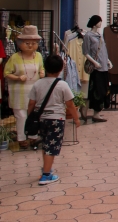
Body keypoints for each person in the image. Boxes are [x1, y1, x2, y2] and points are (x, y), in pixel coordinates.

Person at [27, 55, 80, 185]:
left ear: (45, 68)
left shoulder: (37, 84)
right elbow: (70, 104)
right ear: (61, 69)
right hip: (57, 119)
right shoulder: (62, 85)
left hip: (42, 119)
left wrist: (30, 117)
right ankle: (46, 175)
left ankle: (47, 169)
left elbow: (31, 103)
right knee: (52, 146)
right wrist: (76, 119)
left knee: (45, 145)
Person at [4, 26, 45, 150]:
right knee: (21, 116)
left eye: (34, 43)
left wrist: (42, 72)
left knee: (33, 115)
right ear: (20, 43)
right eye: (27, 43)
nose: (30, 46)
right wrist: (17, 77)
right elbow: (6, 73)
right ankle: (21, 138)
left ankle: (33, 136)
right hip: (19, 93)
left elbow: (41, 67)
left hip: (34, 92)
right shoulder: (15, 57)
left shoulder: (38, 56)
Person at [83, 16, 112, 123]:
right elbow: (85, 52)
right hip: (96, 69)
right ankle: (93, 112)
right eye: (99, 22)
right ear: (94, 23)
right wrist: (95, 63)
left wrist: (108, 60)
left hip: (104, 67)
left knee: (104, 90)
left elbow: (103, 50)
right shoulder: (88, 36)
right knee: (96, 91)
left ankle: (96, 112)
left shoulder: (100, 35)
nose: (100, 23)